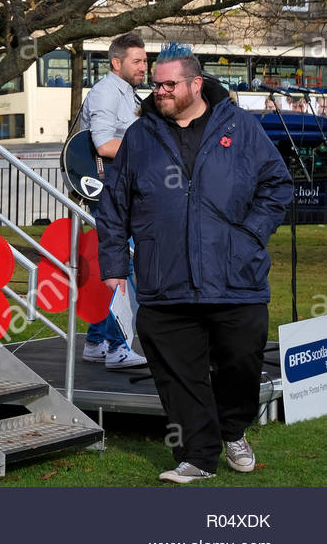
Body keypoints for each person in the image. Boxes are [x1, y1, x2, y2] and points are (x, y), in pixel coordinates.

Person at [98, 43, 292, 483]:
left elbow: (277, 185)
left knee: (241, 360)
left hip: (235, 276)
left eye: (170, 84)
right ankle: (198, 458)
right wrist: (113, 263)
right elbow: (114, 203)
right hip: (164, 278)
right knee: (179, 375)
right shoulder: (139, 135)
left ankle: (234, 428)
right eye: (156, 84)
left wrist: (250, 236)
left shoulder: (241, 127)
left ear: (196, 83)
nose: (160, 91)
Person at [74, 32, 149, 370]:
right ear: (117, 63)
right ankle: (119, 347)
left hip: (117, 190)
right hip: (109, 192)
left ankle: (96, 340)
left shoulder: (125, 92)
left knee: (116, 263)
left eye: (145, 60)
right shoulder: (106, 93)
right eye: (137, 61)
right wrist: (152, 153)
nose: (144, 67)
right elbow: (104, 145)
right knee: (123, 264)